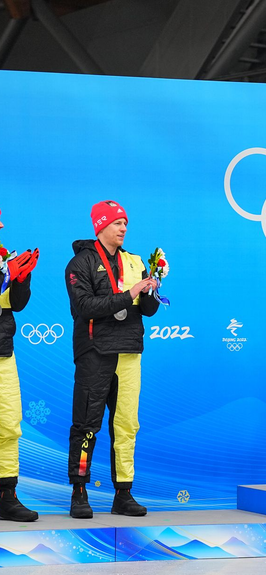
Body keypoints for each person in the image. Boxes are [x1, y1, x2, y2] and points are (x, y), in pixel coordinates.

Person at [65, 200, 159, 518]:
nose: (124, 228)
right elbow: (85, 307)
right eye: (118, 223)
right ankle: (79, 492)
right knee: (87, 425)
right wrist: (129, 294)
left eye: (125, 223)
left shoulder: (134, 261)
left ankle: (123, 493)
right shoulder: (80, 264)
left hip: (129, 352)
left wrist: (151, 289)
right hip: (95, 352)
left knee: (127, 426)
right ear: (101, 226)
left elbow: (147, 309)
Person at [0, 210, 39, 521]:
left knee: (10, 425)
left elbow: (16, 304)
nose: (0, 226)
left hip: (3, 352)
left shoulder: (3, 256)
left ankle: (6, 496)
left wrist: (21, 279)